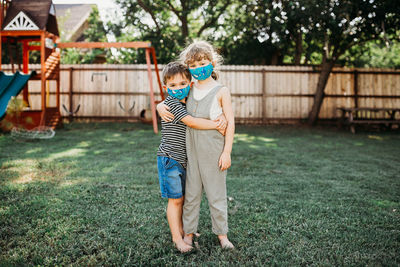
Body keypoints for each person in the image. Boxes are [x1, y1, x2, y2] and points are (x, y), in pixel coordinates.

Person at [158, 41, 235, 249]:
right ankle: (189, 234)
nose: (199, 68)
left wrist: (227, 151)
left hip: (214, 150)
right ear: (188, 68)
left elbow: (230, 123)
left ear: (212, 62)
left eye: (202, 63)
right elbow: (171, 99)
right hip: (189, 153)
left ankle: (222, 236)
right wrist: (159, 105)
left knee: (216, 195)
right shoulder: (188, 88)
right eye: (193, 65)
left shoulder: (221, 91)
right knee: (191, 196)